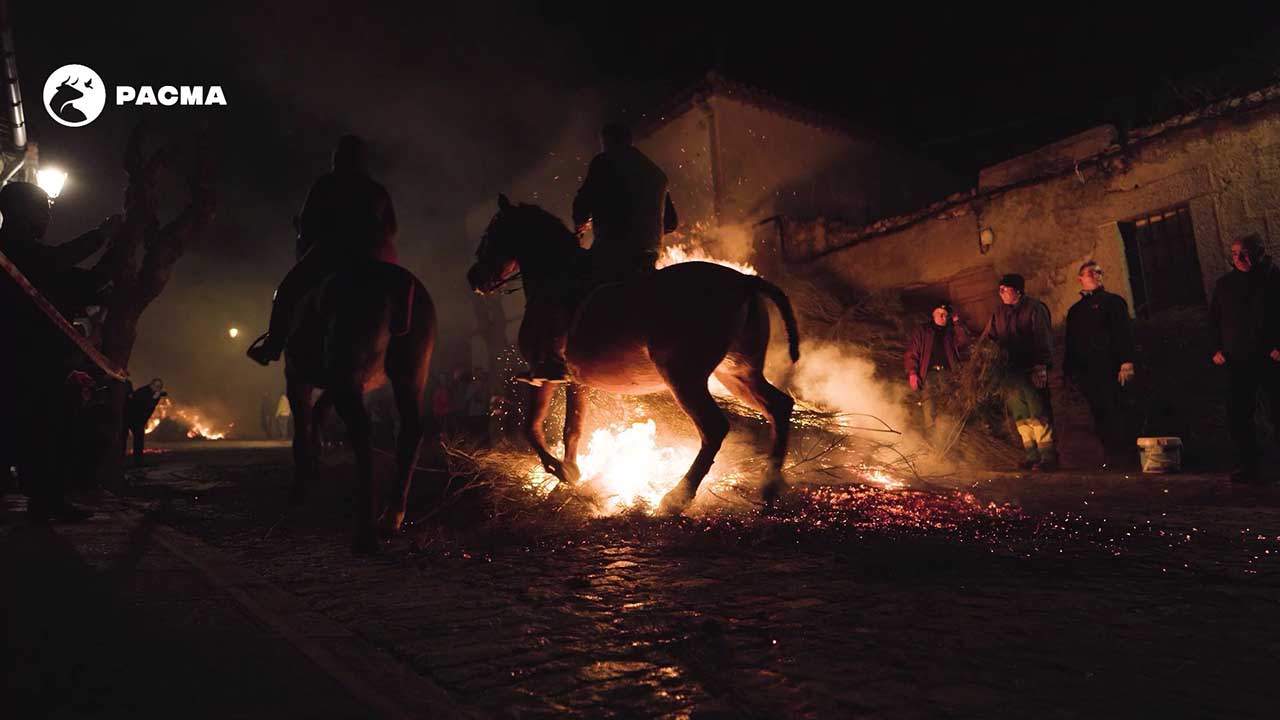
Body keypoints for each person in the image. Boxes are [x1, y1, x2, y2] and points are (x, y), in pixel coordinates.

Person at [247, 135, 398, 365]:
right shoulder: (378, 190)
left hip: (333, 253)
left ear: (339, 157)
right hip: (375, 259)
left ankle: (273, 346)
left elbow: (308, 224)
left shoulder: (326, 183)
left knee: (286, 291)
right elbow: (392, 228)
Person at [1209, 235, 1280, 483]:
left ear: (1259, 252)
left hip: (1270, 358)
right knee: (1239, 414)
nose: (1238, 258)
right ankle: (1248, 465)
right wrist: (1216, 348)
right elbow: (1214, 320)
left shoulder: (1274, 279)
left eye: (1244, 253)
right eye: (1235, 253)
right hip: (1237, 359)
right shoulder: (1225, 285)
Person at [573, 122, 679, 285]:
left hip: (611, 254)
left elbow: (582, 205)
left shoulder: (604, 161)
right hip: (649, 257)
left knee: (576, 285)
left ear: (606, 141)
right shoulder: (657, 173)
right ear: (630, 141)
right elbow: (671, 223)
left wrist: (580, 225)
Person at [1063, 261, 1137, 467]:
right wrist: (1069, 372)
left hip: (1112, 369)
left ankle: (1126, 457)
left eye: (1099, 272)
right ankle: (1111, 456)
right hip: (1089, 372)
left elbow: (1123, 333)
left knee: (1118, 410)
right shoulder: (1076, 311)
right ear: (1080, 279)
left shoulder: (1114, 302)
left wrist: (1126, 362)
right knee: (1099, 413)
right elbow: (1072, 342)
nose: (1096, 275)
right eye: (1090, 273)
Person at [984, 273, 1058, 470]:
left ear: (1017, 290)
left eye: (1005, 288)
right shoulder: (998, 313)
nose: (1000, 292)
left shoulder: (1034, 308)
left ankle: (1048, 457)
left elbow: (1043, 337)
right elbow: (991, 339)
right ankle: (1032, 455)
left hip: (1031, 369)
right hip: (1010, 373)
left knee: (1038, 413)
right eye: (999, 288)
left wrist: (1041, 365)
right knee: (1021, 416)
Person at [903, 300, 970, 443]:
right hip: (930, 375)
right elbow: (912, 353)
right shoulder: (923, 331)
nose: (943, 317)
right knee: (930, 406)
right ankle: (932, 442)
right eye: (939, 314)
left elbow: (963, 341)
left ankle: (950, 440)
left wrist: (957, 322)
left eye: (945, 315)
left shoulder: (950, 332)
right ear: (933, 315)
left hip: (948, 374)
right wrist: (913, 373)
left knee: (950, 406)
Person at [125, 378, 167, 466]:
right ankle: (133, 462)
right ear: (151, 385)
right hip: (132, 417)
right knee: (135, 440)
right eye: (156, 386)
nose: (158, 388)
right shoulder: (144, 392)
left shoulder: (154, 393)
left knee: (139, 440)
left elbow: (148, 409)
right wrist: (154, 399)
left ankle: (137, 462)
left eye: (159, 387)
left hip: (138, 419)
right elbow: (145, 406)